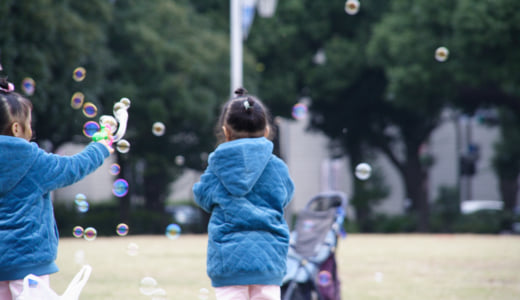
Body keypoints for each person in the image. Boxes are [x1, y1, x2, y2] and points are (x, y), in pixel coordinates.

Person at [0, 77, 112, 299]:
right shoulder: (32, 160)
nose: (30, 131)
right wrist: (100, 147)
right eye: (28, 125)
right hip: (29, 263)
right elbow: (72, 168)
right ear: (16, 127)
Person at [193, 87, 295, 300]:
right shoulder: (277, 167)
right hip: (270, 259)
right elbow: (286, 196)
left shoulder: (217, 165)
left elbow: (202, 196)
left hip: (228, 261)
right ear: (266, 130)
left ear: (226, 130)